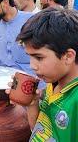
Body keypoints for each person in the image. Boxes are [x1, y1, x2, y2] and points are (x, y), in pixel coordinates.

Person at [6, 8, 78, 141]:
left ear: (68, 56)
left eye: (39, 57)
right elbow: (40, 131)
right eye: (30, 57)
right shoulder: (53, 85)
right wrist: (32, 104)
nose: (32, 66)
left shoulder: (75, 101)